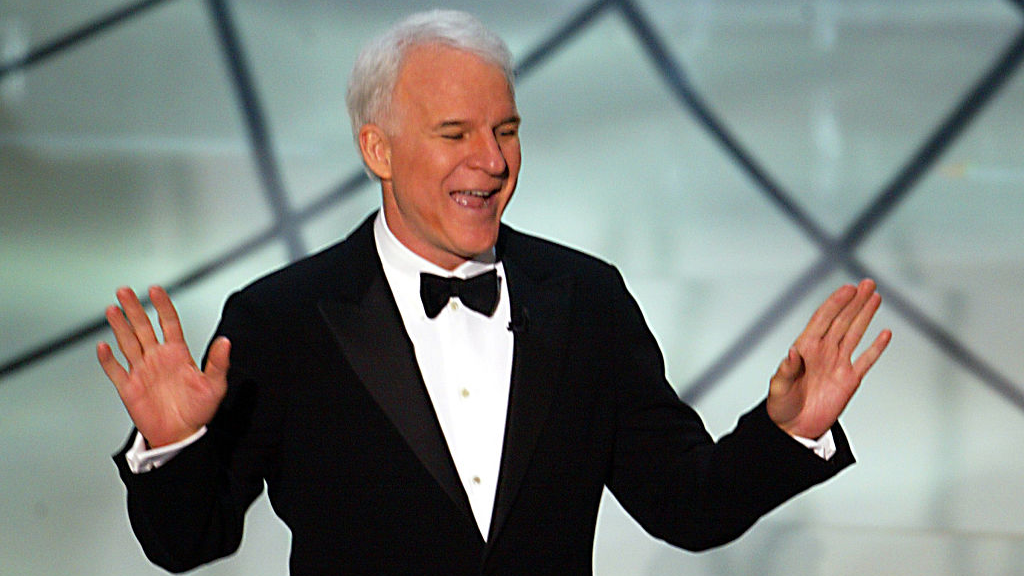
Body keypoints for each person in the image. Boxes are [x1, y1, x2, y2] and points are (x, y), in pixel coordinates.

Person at [98, 9, 891, 575]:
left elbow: (688, 506)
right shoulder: (279, 322)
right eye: (455, 134)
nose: (492, 160)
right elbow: (186, 543)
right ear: (377, 146)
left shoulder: (586, 300)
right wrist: (172, 450)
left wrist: (790, 433)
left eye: (505, 130)